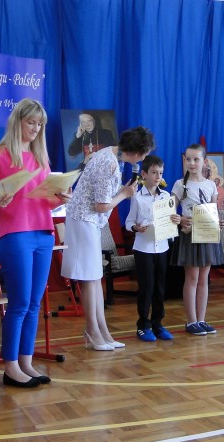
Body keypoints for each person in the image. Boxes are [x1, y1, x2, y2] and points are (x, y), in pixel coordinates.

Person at [0, 98, 70, 388]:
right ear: (18, 121)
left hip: (43, 233)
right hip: (15, 235)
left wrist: (60, 198)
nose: (36, 128)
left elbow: (44, 200)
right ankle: (11, 367)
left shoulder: (41, 159)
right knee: (19, 303)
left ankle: (26, 361)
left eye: (40, 124)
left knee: (34, 304)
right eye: (31, 122)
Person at [61, 126, 154, 350]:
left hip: (90, 221)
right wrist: (124, 194)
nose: (144, 158)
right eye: (144, 154)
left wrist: (121, 190)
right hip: (83, 220)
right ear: (136, 152)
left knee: (95, 277)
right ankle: (92, 331)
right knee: (90, 278)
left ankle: (103, 331)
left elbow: (102, 195)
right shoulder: (108, 162)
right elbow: (101, 205)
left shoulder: (113, 157)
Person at [125, 154, 181, 342]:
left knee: (160, 287)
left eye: (161, 173)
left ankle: (158, 324)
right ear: (144, 174)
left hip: (162, 247)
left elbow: (171, 220)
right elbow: (129, 222)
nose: (158, 177)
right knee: (146, 288)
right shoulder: (137, 197)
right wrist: (136, 228)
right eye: (154, 173)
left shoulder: (166, 196)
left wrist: (176, 220)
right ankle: (143, 325)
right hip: (144, 249)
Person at [170, 144, 224, 336]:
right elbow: (170, 211)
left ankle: (201, 319)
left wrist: (219, 222)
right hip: (190, 235)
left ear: (204, 162)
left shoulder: (211, 185)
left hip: (207, 234)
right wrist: (180, 219)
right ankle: (191, 321)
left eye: (196, 159)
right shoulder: (180, 184)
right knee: (192, 277)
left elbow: (213, 211)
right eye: (188, 159)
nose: (192, 163)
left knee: (204, 278)